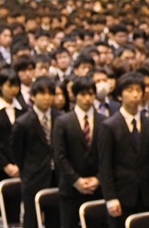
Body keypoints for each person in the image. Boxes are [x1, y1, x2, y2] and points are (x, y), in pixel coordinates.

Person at [98, 72, 149, 228]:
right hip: (122, 195)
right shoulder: (109, 126)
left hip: (147, 194)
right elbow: (105, 165)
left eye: (138, 90)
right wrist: (110, 198)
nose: (135, 95)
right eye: (130, 90)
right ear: (120, 95)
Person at [52, 76, 105, 228]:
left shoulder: (104, 121)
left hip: (97, 188)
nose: (87, 98)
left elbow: (107, 156)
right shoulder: (63, 122)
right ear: (75, 95)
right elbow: (60, 156)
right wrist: (76, 181)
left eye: (90, 94)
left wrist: (98, 179)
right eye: (83, 94)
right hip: (70, 189)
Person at [11, 76, 61, 228]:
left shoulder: (60, 118)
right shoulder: (23, 122)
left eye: (50, 94)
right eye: (42, 93)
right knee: (31, 219)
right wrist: (27, 169)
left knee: (55, 218)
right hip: (33, 177)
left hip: (56, 176)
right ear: (33, 96)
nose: (47, 98)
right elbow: (17, 152)